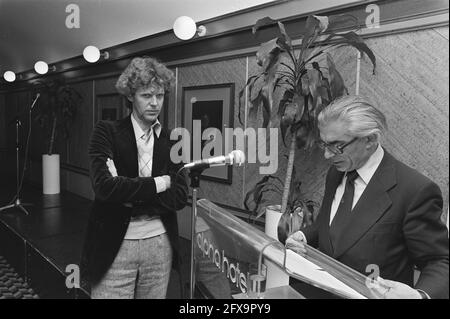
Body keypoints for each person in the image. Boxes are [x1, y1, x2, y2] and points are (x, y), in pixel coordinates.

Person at [286, 95, 449, 299]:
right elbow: (330, 226)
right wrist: (304, 237)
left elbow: (439, 260)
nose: (327, 156)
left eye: (336, 146)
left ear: (370, 140)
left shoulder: (415, 190)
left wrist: (421, 296)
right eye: (324, 145)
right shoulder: (336, 172)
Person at [81, 56, 188, 299]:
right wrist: (162, 182)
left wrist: (127, 191)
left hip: (159, 246)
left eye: (159, 96)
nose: (154, 103)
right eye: (146, 95)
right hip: (114, 245)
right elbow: (105, 188)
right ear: (130, 96)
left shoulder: (173, 139)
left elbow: (180, 197)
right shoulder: (106, 132)